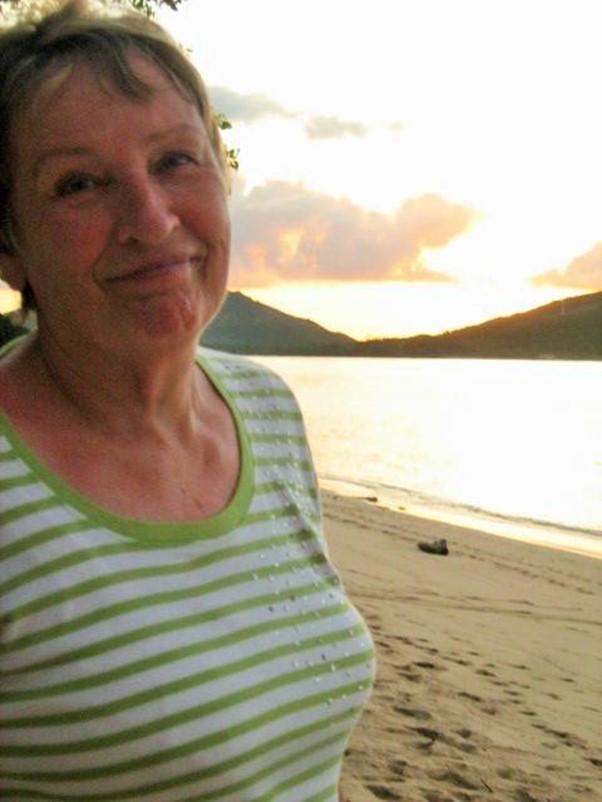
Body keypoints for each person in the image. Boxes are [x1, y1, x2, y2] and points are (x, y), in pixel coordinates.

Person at [0, 1, 375, 800]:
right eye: (77, 183)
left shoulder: (265, 411)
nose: (151, 218)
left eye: (176, 161)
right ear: (9, 245)